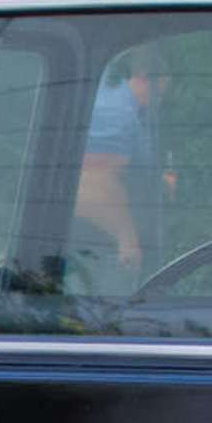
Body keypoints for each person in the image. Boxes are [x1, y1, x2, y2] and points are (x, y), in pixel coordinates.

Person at [75, 48, 180, 276]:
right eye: (158, 94)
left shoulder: (121, 104)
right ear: (143, 78)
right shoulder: (114, 114)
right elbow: (91, 182)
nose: (158, 102)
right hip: (94, 243)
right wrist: (127, 238)